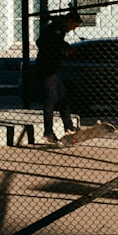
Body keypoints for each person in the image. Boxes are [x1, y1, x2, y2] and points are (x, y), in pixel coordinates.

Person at [35, 11, 82, 144]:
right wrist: (63, 51)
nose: (73, 29)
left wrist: (65, 47)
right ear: (69, 21)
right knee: (51, 99)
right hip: (47, 68)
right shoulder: (55, 29)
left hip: (52, 68)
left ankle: (69, 127)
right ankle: (48, 132)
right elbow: (44, 44)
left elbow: (54, 43)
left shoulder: (57, 29)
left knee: (63, 96)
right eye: (74, 25)